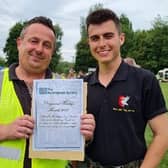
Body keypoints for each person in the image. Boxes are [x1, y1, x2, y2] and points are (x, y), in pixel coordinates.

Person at [0, 16, 95, 168]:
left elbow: (78, 146)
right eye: (34, 41)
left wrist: (86, 135)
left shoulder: (68, 90)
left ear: (52, 52)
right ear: (19, 43)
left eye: (47, 45)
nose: (39, 49)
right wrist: (5, 130)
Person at [79, 9, 168, 168]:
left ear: (121, 38)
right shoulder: (81, 85)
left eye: (108, 36)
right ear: (89, 43)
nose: (102, 44)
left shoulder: (145, 80)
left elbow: (163, 133)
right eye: (95, 38)